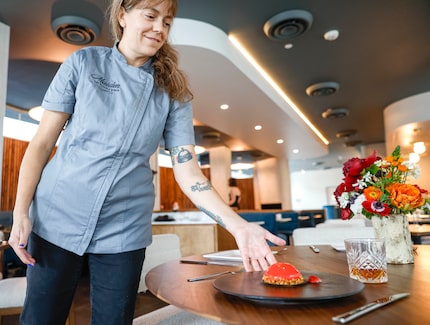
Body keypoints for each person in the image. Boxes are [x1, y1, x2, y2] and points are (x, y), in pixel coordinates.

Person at [8, 0, 286, 324]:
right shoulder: (83, 63)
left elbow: (187, 170)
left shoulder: (173, 91)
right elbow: (41, 144)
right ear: (122, 15)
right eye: (151, 16)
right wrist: (20, 212)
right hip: (57, 214)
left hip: (123, 229)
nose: (160, 28)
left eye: (167, 21)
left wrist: (236, 224)